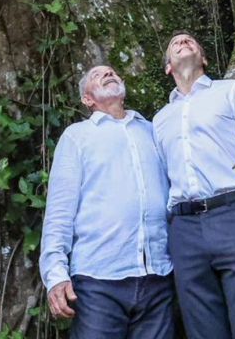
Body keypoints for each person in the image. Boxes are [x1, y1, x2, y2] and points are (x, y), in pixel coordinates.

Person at [153, 32, 235, 339]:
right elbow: (162, 179)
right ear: (168, 67)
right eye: (174, 43)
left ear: (204, 59)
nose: (183, 41)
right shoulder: (160, 120)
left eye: (190, 41)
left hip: (234, 216)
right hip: (185, 230)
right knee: (203, 329)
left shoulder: (232, 91)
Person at [39, 64, 174, 339]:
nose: (108, 74)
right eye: (97, 75)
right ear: (87, 99)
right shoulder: (77, 136)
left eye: (112, 72)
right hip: (98, 279)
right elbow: (59, 211)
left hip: (157, 276)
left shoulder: (152, 131)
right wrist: (55, 274)